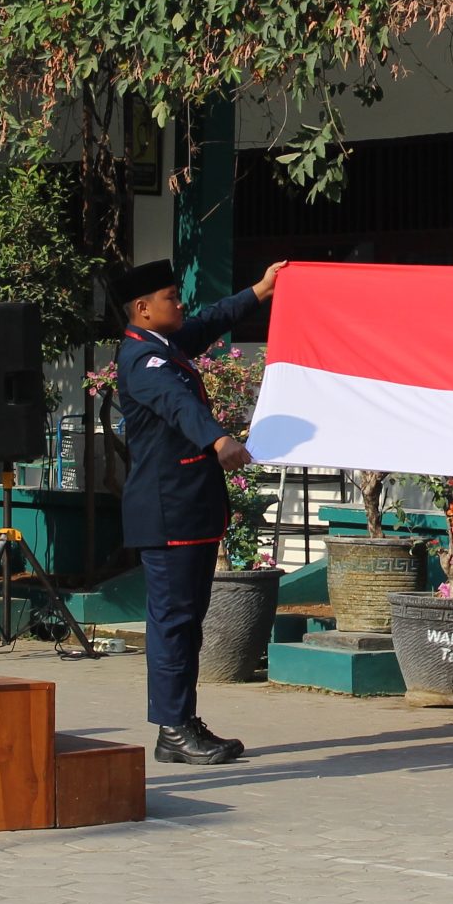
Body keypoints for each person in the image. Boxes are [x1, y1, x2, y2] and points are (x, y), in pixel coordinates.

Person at [113, 256, 284, 765]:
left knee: (186, 622)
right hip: (170, 513)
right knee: (174, 622)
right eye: (170, 296)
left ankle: (179, 723)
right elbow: (177, 405)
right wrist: (219, 439)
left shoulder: (164, 345)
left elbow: (209, 321)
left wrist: (261, 288)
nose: (180, 300)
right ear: (143, 309)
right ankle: (174, 727)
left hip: (189, 511)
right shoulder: (144, 362)